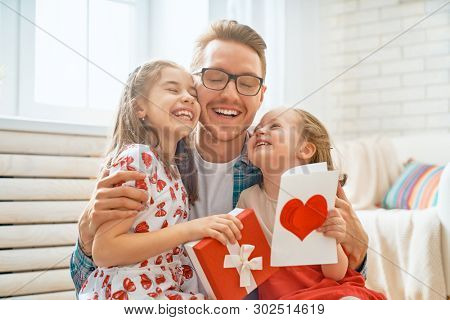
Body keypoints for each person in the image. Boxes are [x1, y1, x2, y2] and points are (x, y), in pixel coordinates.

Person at [71, 20, 369, 296]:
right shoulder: (152, 163)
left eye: (247, 83)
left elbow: (340, 277)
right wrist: (85, 240)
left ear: (261, 95)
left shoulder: (287, 166)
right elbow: (93, 280)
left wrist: (360, 253)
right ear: (194, 85)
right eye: (215, 78)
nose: (231, 94)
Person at [78, 60, 242, 300]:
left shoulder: (172, 168)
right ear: (139, 109)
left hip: (162, 289)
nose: (188, 98)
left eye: (192, 93)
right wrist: (192, 229)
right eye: (173, 90)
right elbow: (105, 252)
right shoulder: (138, 158)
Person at [237, 108, 385, 300]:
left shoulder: (321, 196)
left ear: (305, 149)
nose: (259, 131)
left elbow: (336, 274)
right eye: (257, 128)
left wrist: (333, 240)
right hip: (280, 296)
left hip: (327, 289)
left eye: (274, 126)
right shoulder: (247, 199)